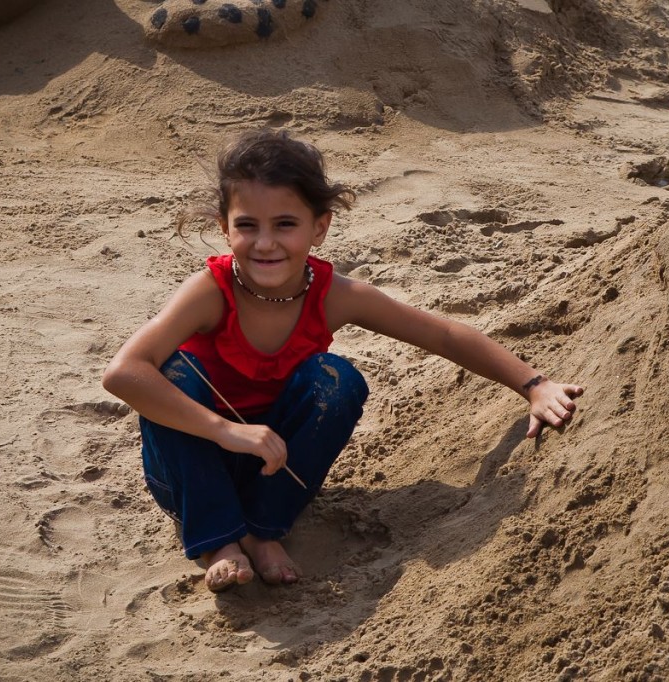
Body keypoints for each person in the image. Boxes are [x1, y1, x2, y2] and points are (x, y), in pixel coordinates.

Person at [102, 129, 584, 593]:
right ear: (224, 228)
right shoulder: (211, 291)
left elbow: (443, 334)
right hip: (190, 468)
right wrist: (224, 430)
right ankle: (219, 541)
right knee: (172, 373)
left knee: (337, 379)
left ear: (320, 227)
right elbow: (123, 372)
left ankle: (264, 530)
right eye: (247, 225)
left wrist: (534, 385)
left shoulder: (335, 295)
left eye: (285, 225)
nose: (265, 243)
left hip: (275, 468)